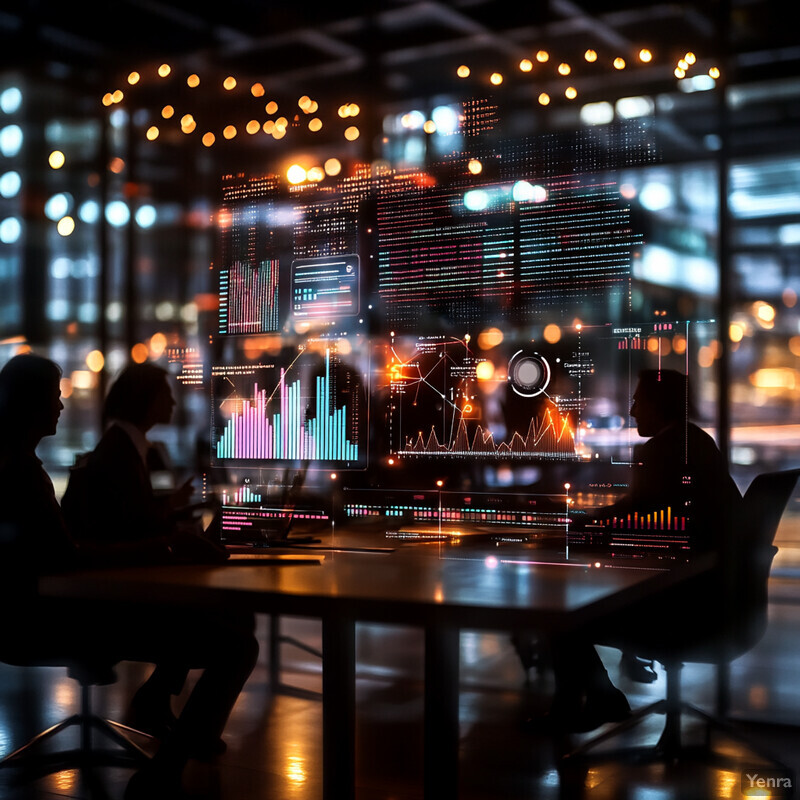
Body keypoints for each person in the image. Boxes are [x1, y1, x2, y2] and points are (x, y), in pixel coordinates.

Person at [0, 353, 258, 798]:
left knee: (224, 625)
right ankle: (163, 773)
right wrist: (169, 546)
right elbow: (68, 557)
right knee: (236, 644)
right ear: (30, 403)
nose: (62, 406)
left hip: (24, 617)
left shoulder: (12, 466)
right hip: (53, 622)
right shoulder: (23, 474)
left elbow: (62, 551)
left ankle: (161, 714)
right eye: (54, 397)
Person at [536, 368, 743, 733]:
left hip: (688, 608)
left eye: (637, 401)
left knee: (561, 614)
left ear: (657, 405)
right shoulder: (696, 442)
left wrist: (580, 526)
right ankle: (596, 699)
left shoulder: (664, 450)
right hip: (721, 599)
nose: (632, 411)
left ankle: (594, 701)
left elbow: (637, 515)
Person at [61, 361, 242, 741]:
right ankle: (177, 726)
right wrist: (176, 540)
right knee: (231, 626)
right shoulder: (119, 452)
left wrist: (171, 511)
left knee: (230, 617)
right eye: (167, 395)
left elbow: (126, 520)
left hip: (101, 588)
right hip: (104, 602)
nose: (174, 404)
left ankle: (158, 701)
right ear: (146, 401)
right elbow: (124, 533)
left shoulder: (122, 446)